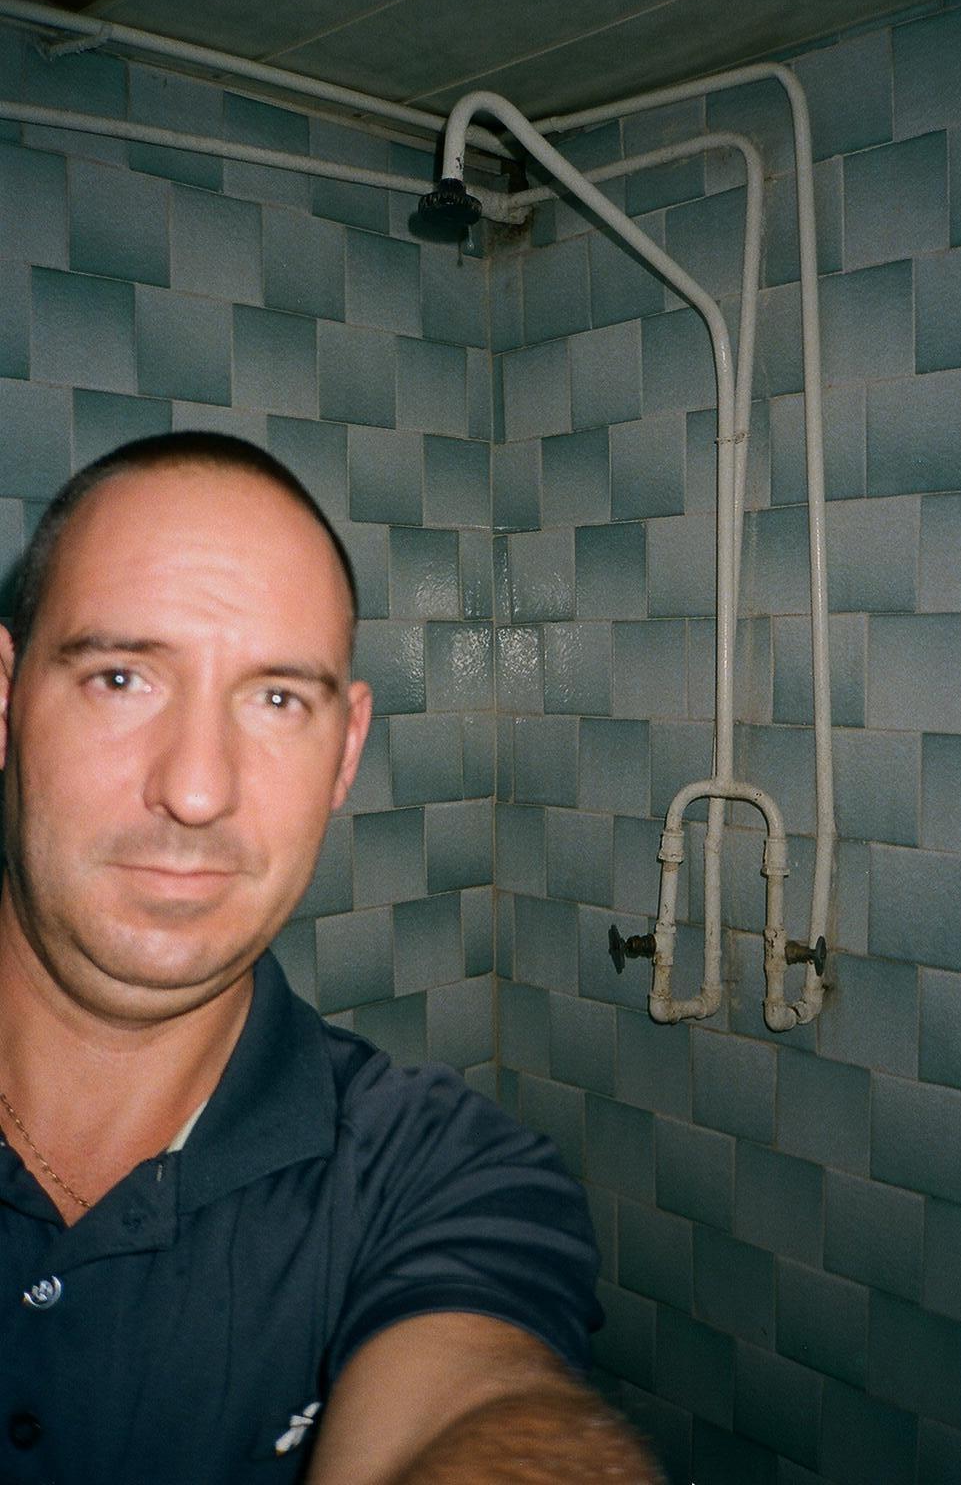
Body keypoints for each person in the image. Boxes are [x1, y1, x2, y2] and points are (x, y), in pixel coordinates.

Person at [0, 433, 660, 1483]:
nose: (198, 789)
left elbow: (481, 1404)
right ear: (4, 700)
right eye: (121, 677)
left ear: (345, 750)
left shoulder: (441, 1175)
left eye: (277, 699)